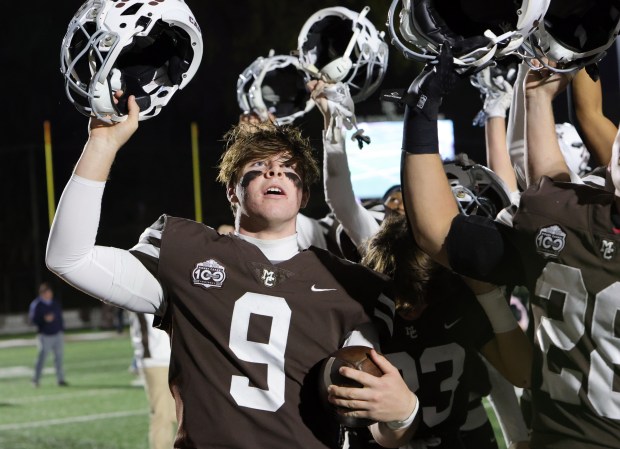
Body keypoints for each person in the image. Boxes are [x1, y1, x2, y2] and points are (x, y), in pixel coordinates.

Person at [45, 96, 417, 449]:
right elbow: (68, 259)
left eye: (289, 169)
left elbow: (377, 425)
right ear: (232, 192)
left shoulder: (350, 285)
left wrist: (403, 414)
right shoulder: (186, 253)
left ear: (303, 196)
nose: (274, 169)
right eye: (257, 166)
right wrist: (102, 145)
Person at [400, 44, 620, 449]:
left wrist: (421, 116)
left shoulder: (574, 223)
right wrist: (536, 96)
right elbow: (551, 179)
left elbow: (438, 233)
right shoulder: (573, 219)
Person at [309, 77, 531, 449]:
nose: (409, 305)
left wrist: (488, 296)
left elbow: (519, 374)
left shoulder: (459, 288)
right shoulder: (379, 253)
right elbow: (344, 199)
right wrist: (333, 127)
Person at [328, 213, 532, 449]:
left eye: (423, 294)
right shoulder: (364, 312)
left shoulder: (455, 303)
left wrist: (486, 293)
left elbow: (523, 374)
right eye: (403, 295)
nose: (411, 310)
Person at [128, 312, 177, 449]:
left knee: (179, 414)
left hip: (176, 356)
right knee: (162, 415)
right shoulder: (143, 292)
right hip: (156, 358)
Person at [28, 282, 68, 387]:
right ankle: (35, 379)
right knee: (42, 358)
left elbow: (60, 318)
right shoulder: (37, 305)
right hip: (45, 335)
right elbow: (32, 320)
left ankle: (60, 379)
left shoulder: (55, 303)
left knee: (59, 358)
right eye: (48, 292)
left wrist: (61, 330)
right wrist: (44, 319)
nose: (50, 294)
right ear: (42, 293)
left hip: (57, 334)